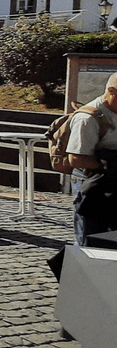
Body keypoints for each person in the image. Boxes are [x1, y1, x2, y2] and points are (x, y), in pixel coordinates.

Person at [65, 74, 117, 246]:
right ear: (112, 91)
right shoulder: (88, 118)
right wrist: (108, 165)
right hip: (92, 183)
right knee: (91, 240)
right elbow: (76, 159)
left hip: (113, 182)